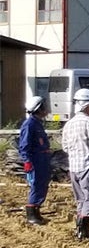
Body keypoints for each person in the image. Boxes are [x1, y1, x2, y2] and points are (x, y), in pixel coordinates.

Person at [61, 88, 89, 241]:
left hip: (74, 167)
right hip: (88, 165)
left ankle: (79, 230)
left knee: (81, 199)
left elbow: (65, 146)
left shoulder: (69, 124)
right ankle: (84, 231)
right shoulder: (88, 122)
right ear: (88, 105)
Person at [19, 96, 52, 226]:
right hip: (36, 160)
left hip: (43, 160)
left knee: (42, 185)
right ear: (39, 109)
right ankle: (31, 214)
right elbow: (24, 145)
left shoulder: (37, 123)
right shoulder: (29, 124)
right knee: (37, 185)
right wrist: (27, 161)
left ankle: (37, 211)